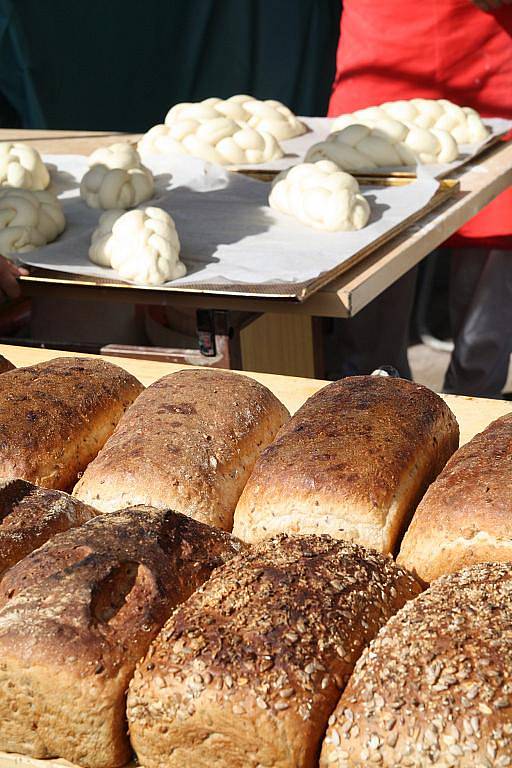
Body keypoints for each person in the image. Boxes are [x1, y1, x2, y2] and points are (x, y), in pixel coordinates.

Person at [327, 0, 512, 397]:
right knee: (366, 241)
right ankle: (372, 412)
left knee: (498, 233)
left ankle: (477, 415)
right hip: (382, 48)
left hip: (493, 54)